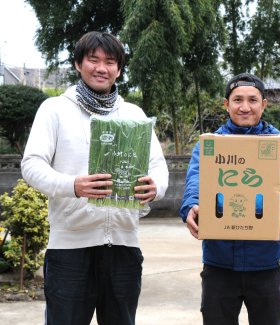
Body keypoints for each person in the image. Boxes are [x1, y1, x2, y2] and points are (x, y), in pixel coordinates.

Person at [21, 31, 169, 325]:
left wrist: (156, 187)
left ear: (119, 69)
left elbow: (158, 167)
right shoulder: (55, 110)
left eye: (110, 62)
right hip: (70, 250)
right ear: (78, 64)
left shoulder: (133, 114)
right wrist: (73, 185)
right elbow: (32, 164)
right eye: (93, 60)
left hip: (124, 248)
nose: (102, 68)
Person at [180, 73, 280, 325]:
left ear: (264, 104)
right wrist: (191, 204)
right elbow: (197, 178)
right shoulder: (210, 145)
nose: (245, 107)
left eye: (252, 100)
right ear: (226, 104)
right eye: (237, 100)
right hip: (219, 260)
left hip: (266, 260)